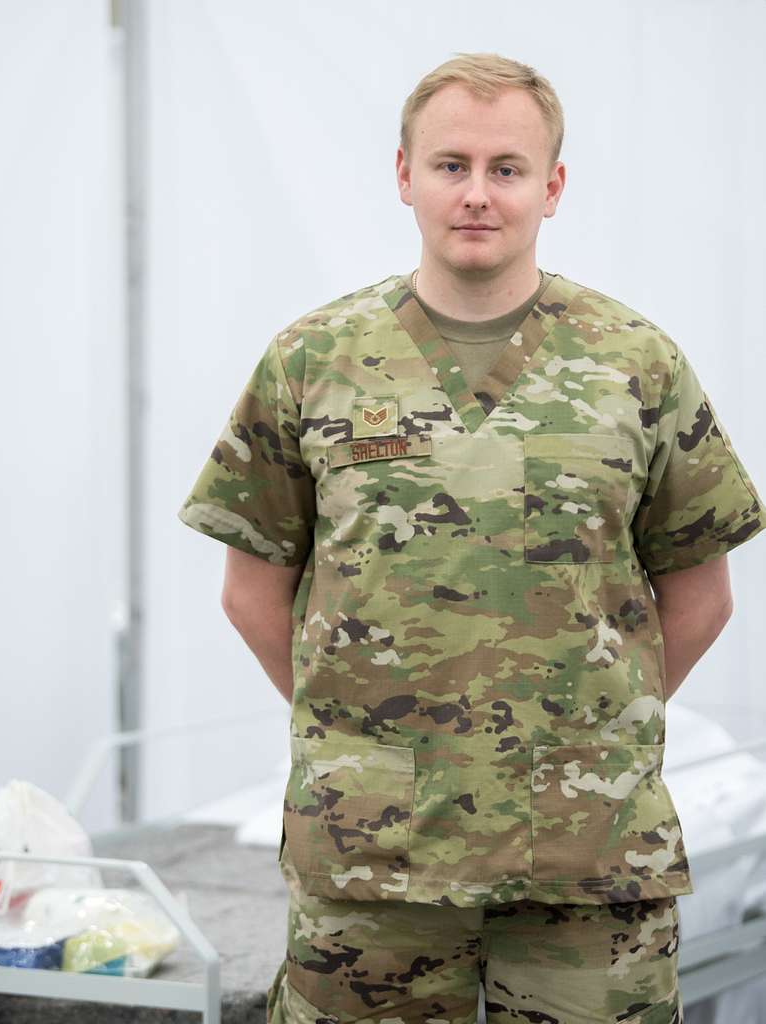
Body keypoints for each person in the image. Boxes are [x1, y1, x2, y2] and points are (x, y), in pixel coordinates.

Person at [177, 51, 766, 1024]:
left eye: (508, 169)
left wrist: (581, 735)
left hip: (586, 863)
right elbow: (251, 590)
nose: (478, 195)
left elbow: (702, 597)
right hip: (373, 859)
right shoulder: (312, 361)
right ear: (403, 175)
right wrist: (362, 729)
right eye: (451, 165)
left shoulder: (635, 364)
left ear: (553, 187)